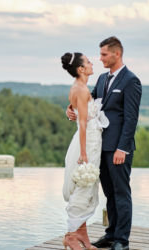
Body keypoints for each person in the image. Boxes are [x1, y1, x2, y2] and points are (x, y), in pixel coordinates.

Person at [66, 36, 142, 250]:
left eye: (104, 54)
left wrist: (123, 148)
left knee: (121, 193)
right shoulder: (101, 79)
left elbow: (131, 119)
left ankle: (122, 241)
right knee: (109, 193)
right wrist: (70, 108)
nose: (100, 59)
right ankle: (111, 235)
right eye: (99, 55)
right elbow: (87, 100)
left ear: (117, 54)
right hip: (100, 147)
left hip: (118, 148)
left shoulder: (131, 81)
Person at [61, 52, 109, 250]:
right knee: (83, 186)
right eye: (88, 62)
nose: (92, 63)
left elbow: (79, 111)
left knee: (88, 186)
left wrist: (69, 108)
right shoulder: (80, 90)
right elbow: (82, 124)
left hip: (93, 142)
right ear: (81, 69)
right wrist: (83, 153)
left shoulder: (82, 88)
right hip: (87, 143)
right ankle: (71, 236)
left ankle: (82, 234)